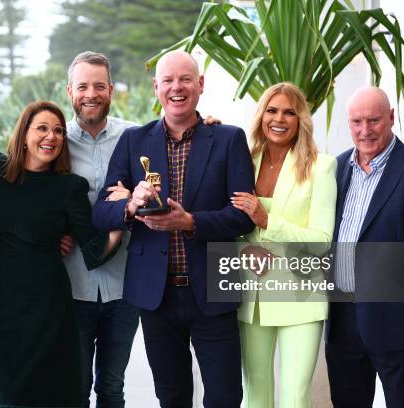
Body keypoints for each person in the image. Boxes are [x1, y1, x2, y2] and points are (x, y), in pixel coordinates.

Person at [92, 50, 254, 408]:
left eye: (184, 79)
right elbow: (101, 212)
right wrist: (131, 206)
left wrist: (191, 222)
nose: (176, 87)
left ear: (200, 85)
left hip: (214, 288)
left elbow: (243, 216)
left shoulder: (229, 139)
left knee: (226, 395)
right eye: (167, 80)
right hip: (156, 295)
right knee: (171, 395)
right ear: (156, 87)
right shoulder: (135, 141)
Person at [0, 101, 124, 408]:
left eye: (58, 131)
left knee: (41, 395)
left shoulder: (68, 187)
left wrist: (122, 218)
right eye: (42, 128)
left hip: (47, 311)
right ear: (24, 133)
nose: (51, 136)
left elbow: (94, 251)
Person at [325, 87, 404, 408]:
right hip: (342, 321)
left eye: (373, 120)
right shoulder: (334, 170)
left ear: (391, 118)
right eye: (356, 122)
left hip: (399, 322)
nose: (364, 131)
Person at [231, 83, 337, 407]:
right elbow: (227, 226)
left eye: (289, 112)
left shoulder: (322, 167)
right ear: (261, 115)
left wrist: (268, 222)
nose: (279, 118)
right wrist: (244, 250)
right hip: (251, 299)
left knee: (294, 396)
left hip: (300, 297)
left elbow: (321, 242)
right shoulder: (242, 161)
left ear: (301, 119)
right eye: (272, 110)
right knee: (254, 394)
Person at [63, 51, 140, 408]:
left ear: (110, 90)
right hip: (71, 288)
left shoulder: (135, 137)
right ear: (69, 92)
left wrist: (206, 125)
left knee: (112, 388)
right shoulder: (53, 140)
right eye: (82, 86)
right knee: (74, 388)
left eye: (98, 86)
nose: (90, 94)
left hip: (124, 288)